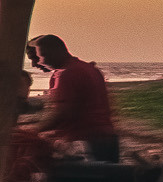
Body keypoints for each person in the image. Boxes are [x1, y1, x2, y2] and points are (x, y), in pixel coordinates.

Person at [27, 33, 118, 162]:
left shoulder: (68, 73)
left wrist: (33, 131)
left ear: (53, 52)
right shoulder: (88, 68)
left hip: (87, 141)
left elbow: (63, 113)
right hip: (107, 138)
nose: (35, 64)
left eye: (37, 57)